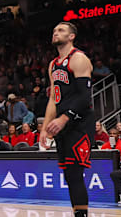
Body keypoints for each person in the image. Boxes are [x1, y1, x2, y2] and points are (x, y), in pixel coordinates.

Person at [40, 22, 95, 217]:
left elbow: (84, 97)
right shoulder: (53, 64)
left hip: (80, 122)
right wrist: (44, 128)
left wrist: (64, 118)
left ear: (71, 36)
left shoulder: (78, 58)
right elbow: (53, 99)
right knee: (69, 175)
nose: (56, 32)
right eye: (54, 30)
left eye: (61, 30)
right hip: (62, 124)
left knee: (74, 172)